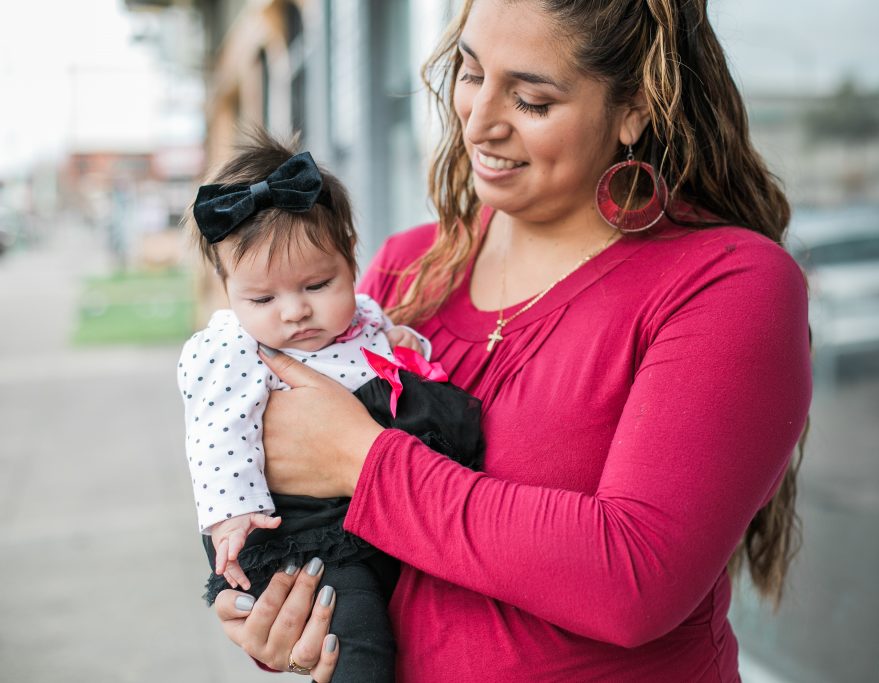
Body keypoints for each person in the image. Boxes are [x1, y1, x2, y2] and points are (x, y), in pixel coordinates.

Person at [211, 1, 813, 681]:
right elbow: (312, 497)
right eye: (470, 73)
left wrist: (364, 459)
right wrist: (288, 601)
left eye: (530, 98)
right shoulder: (408, 271)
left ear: (634, 109)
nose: (479, 119)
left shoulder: (725, 284)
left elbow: (635, 580)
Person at [177, 131, 484, 682]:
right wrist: (231, 517)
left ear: (350, 255)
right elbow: (217, 433)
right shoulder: (233, 347)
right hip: (296, 526)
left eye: (318, 284)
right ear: (226, 291)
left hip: (373, 513)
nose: (295, 311)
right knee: (357, 643)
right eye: (262, 298)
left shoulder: (363, 313)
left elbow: (389, 350)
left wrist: (407, 347)